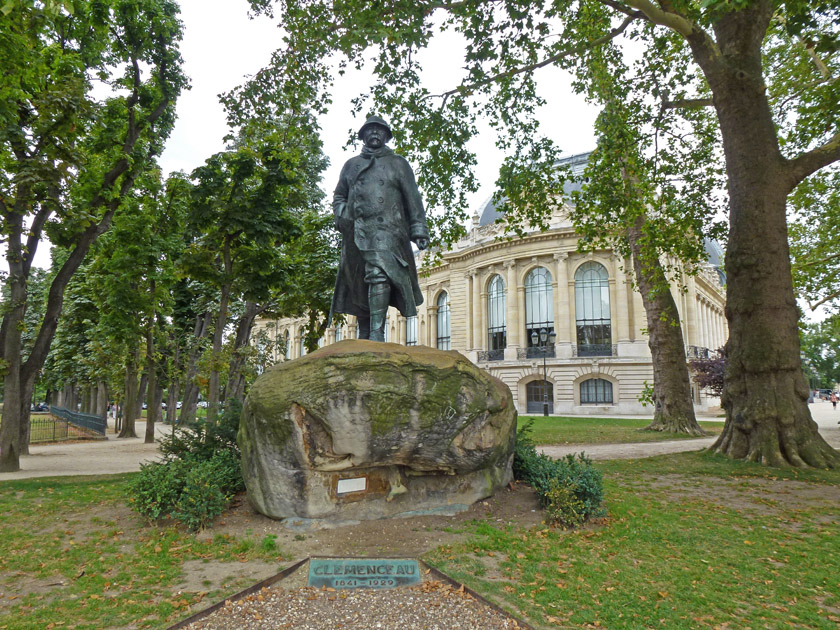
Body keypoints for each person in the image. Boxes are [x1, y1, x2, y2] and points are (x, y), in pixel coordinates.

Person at [330, 116, 430, 342]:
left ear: (386, 135)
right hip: (356, 230)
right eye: (370, 130)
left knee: (379, 274)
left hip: (389, 231)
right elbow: (339, 195)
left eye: (379, 131)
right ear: (363, 135)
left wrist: (419, 229)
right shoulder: (351, 164)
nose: (375, 134)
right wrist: (342, 213)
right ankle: (365, 332)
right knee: (359, 282)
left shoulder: (398, 163)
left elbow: (412, 198)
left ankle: (377, 332)